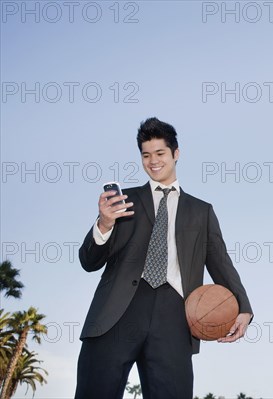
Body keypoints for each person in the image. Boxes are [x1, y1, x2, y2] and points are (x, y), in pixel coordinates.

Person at [75, 117, 253, 398]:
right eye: (146, 155)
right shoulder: (123, 202)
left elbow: (221, 263)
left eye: (160, 153)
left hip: (176, 316)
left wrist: (243, 306)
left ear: (176, 154)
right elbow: (89, 261)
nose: (153, 161)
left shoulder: (201, 211)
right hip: (116, 314)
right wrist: (104, 224)